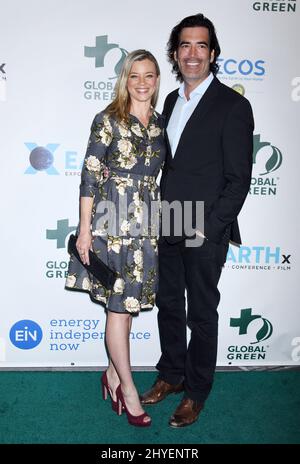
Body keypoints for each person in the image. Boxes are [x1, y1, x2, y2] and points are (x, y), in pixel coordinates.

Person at [141, 14, 254, 427]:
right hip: (167, 219)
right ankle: (171, 374)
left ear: (213, 53)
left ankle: (197, 390)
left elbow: (239, 178)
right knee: (168, 304)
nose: (192, 53)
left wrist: (211, 226)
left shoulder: (234, 105)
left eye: (201, 46)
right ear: (175, 53)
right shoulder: (169, 101)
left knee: (201, 313)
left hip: (203, 227)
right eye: (185, 45)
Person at [65, 50, 166, 427]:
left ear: (157, 80)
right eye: (134, 75)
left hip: (146, 227)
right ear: (125, 80)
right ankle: (128, 388)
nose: (142, 82)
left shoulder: (159, 123)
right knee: (118, 309)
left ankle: (110, 374)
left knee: (127, 310)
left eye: (149, 75)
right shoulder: (107, 120)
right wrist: (85, 229)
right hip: (112, 225)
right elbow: (90, 176)